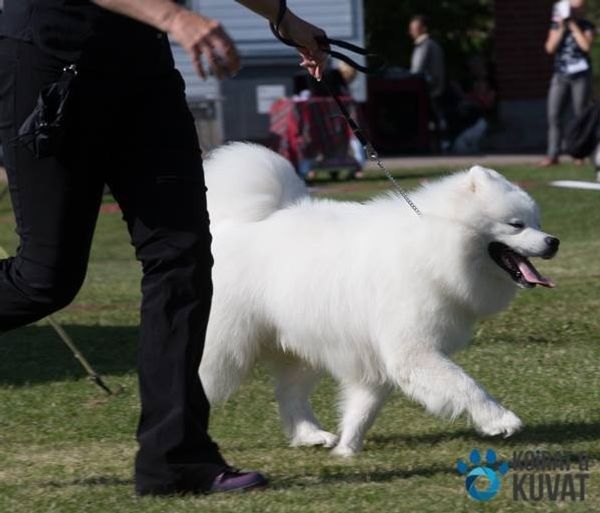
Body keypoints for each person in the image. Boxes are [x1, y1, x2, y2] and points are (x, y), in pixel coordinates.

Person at [0, 0, 327, 497]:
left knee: (183, 257)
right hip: (50, 59)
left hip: (143, 73)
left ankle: (175, 459)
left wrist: (282, 17)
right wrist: (176, 18)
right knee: (45, 278)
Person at [540, 0, 595, 167]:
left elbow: (586, 46)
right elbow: (549, 48)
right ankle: (553, 154)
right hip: (561, 75)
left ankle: (580, 153)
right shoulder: (557, 26)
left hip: (581, 76)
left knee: (580, 115)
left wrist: (573, 25)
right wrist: (562, 27)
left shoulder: (587, 25)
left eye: (578, 8)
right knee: (554, 115)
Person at [409, 15, 446, 112]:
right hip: (435, 92)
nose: (411, 32)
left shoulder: (425, 46)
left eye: (414, 29)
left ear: (424, 29)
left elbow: (417, 71)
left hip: (429, 93)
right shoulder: (433, 44)